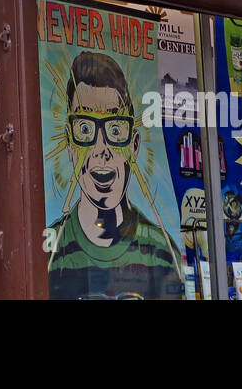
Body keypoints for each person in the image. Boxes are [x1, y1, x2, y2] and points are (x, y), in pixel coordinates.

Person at [47, 51, 181, 299]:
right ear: (69, 143)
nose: (102, 150)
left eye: (115, 129)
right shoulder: (49, 252)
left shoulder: (160, 250)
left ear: (134, 143)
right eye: (85, 128)